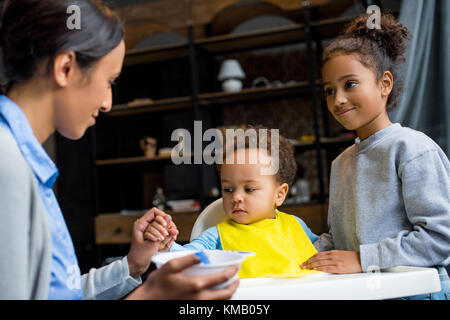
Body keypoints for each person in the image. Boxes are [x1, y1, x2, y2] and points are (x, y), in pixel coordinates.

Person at [0, 0, 238, 300]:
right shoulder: (6, 165)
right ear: (66, 68)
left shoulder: (22, 160)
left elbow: (60, 293)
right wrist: (149, 297)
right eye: (109, 82)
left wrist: (133, 265)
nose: (108, 103)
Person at [300, 13, 450, 300]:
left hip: (417, 293)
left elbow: (441, 239)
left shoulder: (413, 149)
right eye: (330, 90)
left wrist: (361, 259)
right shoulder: (341, 162)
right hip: (366, 292)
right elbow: (338, 238)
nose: (338, 99)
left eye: (350, 84)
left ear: (385, 84)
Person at [145, 126, 321, 278]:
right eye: (228, 189)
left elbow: (323, 252)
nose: (235, 197)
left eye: (249, 189)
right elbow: (189, 256)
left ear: (280, 194)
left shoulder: (296, 226)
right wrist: (165, 244)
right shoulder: (216, 236)